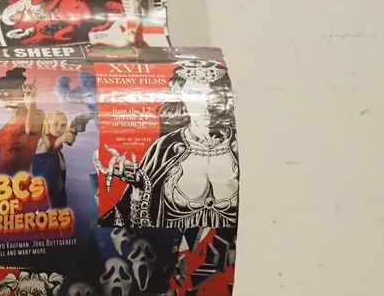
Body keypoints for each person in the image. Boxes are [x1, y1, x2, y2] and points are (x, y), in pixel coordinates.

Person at [96, 59, 239, 228]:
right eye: (195, 95)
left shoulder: (241, 144)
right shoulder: (166, 147)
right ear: (180, 97)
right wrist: (139, 187)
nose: (206, 105)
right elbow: (133, 222)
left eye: (213, 95)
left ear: (226, 97)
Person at [0, 68, 45, 175]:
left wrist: (31, 100)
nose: (0, 96)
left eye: (4, 90)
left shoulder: (35, 115)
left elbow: (32, 130)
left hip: (16, 181)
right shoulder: (10, 122)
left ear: (21, 90)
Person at [30, 110, 85, 209]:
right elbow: (52, 145)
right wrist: (63, 138)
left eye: (63, 125)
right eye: (55, 124)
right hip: (46, 190)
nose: (59, 128)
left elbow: (66, 141)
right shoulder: (43, 140)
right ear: (48, 124)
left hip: (57, 188)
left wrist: (72, 132)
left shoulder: (57, 147)